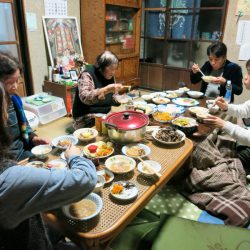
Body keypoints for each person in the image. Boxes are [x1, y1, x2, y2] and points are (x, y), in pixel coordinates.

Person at [0, 81, 97, 250]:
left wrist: (32, 137)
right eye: (4, 108)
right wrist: (74, 157)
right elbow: (86, 179)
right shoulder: (8, 179)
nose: (8, 115)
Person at [0, 52, 49, 161]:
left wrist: (33, 138)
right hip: (7, 163)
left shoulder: (14, 100)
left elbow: (24, 127)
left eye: (17, 80)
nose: (15, 86)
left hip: (22, 153)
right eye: (10, 82)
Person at [204, 59, 250, 175]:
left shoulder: (233, 67)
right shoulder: (206, 65)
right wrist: (226, 107)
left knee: (216, 172)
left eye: (249, 73)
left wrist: (224, 125)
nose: (246, 76)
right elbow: (244, 109)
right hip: (244, 143)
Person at [72, 50, 124, 129]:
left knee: (122, 121)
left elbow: (113, 96)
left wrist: (119, 99)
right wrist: (105, 90)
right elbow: (85, 97)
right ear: (101, 66)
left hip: (105, 113)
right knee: (110, 129)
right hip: (86, 116)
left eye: (115, 69)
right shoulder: (87, 74)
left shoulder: (109, 75)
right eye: (111, 68)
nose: (113, 72)